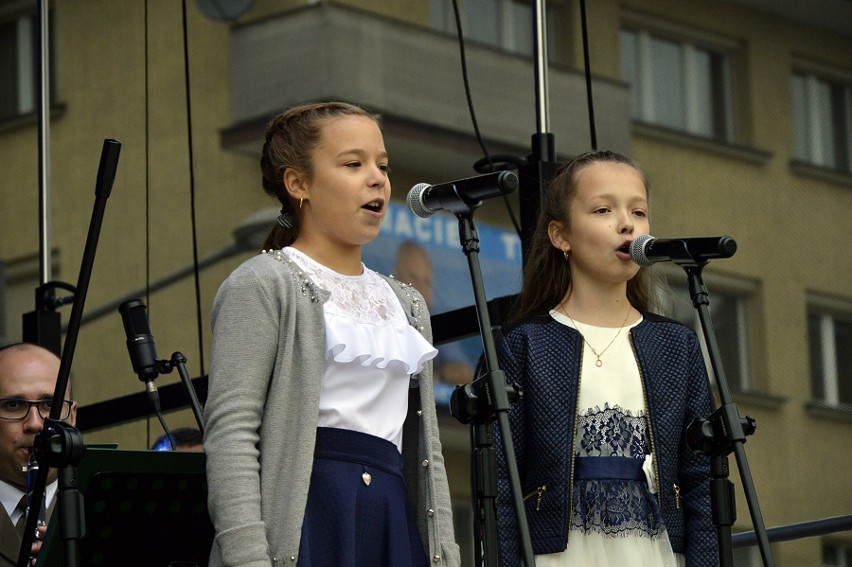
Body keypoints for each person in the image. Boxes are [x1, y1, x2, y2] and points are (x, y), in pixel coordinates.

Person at [203, 101, 460, 567]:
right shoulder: (264, 283)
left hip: (389, 518)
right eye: (353, 164)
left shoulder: (406, 303)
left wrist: (445, 552)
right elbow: (232, 434)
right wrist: (248, 558)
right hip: (307, 519)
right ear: (298, 183)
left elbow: (429, 454)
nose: (377, 177)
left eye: (382, 165)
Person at [493, 150, 718, 566]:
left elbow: (701, 480)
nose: (626, 223)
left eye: (638, 211)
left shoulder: (675, 345)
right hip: (557, 554)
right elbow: (501, 485)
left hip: (655, 551)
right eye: (603, 209)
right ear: (561, 236)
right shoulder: (524, 344)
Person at [0, 343, 78, 567]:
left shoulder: (107, 509)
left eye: (49, 405)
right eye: (13, 405)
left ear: (72, 417)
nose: (35, 424)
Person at [393, 240, 474, 385]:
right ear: (396, 276)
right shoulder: (382, 317)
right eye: (414, 278)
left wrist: (438, 373)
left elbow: (463, 373)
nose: (421, 289)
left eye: (427, 282)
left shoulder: (432, 321)